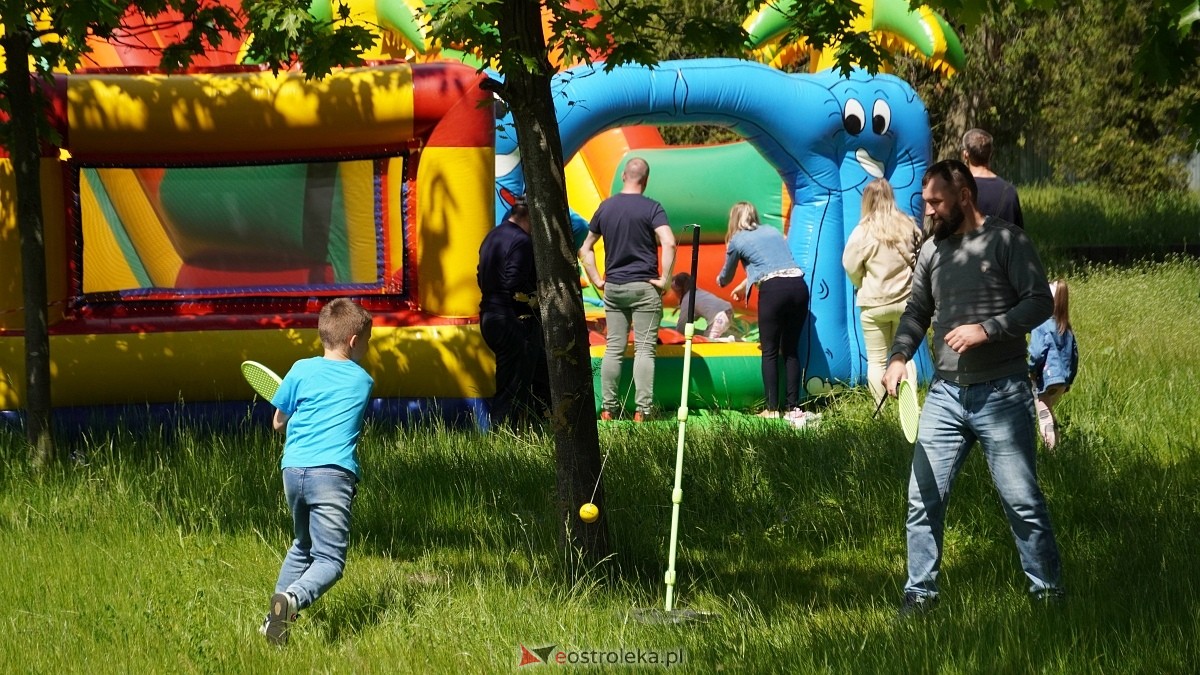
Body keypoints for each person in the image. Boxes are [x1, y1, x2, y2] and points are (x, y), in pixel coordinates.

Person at [883, 159, 1063, 616]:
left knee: (1021, 499)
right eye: (925, 202)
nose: (928, 211)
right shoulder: (931, 251)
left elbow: (1041, 301)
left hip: (1002, 392)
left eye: (936, 202)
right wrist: (899, 357)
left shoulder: (1006, 240)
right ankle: (920, 595)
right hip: (944, 395)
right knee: (922, 496)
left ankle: (1047, 595)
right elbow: (915, 311)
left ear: (964, 196)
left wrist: (989, 328)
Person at [261, 298, 375, 645]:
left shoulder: (299, 369)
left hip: (293, 471)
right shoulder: (363, 381)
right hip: (332, 474)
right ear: (355, 341)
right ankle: (292, 600)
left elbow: (278, 423)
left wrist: (291, 411)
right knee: (330, 561)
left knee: (302, 545)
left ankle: (273, 624)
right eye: (369, 340)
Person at [580, 157, 677, 422]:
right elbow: (668, 242)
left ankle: (608, 409)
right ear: (645, 181)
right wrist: (665, 281)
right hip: (644, 286)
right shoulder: (652, 208)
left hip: (614, 287)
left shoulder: (606, 208)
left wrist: (597, 279)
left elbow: (585, 248)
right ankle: (642, 411)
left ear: (624, 176)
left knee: (614, 348)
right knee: (645, 349)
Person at [717, 201, 809, 421]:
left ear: (733, 219)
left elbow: (724, 278)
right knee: (790, 350)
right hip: (798, 285)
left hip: (774, 291)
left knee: (769, 351)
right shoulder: (772, 231)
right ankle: (793, 407)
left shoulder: (737, 239)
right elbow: (774, 264)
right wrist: (744, 285)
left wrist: (720, 280)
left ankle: (772, 408)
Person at [842, 178, 921, 402]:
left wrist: (861, 282)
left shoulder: (862, 231)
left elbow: (849, 264)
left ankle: (881, 408)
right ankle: (910, 407)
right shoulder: (908, 224)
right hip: (906, 301)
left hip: (874, 303)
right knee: (905, 356)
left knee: (876, 360)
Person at [477, 196, 550, 428]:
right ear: (530, 217)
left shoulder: (493, 236)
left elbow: (481, 276)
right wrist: (538, 299)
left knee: (539, 375)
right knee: (512, 385)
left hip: (490, 316)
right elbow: (514, 282)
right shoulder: (522, 241)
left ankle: (540, 427)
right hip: (513, 320)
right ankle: (503, 433)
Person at [1028, 279, 1079, 449]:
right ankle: (1057, 447)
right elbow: (1074, 356)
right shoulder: (1065, 327)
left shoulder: (1041, 325)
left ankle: (1051, 451)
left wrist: (1030, 370)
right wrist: (1069, 380)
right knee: (1049, 412)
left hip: (1046, 380)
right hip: (1062, 381)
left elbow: (1036, 352)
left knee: (1044, 415)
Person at [961, 128, 1024, 229]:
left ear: (965, 154)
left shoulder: (957, 190)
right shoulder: (1008, 191)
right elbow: (1017, 235)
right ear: (991, 153)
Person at [671, 272, 737, 341]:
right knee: (708, 334)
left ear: (678, 289)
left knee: (708, 342)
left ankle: (730, 340)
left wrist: (676, 337)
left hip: (719, 317)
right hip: (728, 309)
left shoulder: (688, 299)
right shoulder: (697, 292)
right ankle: (732, 336)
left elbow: (682, 325)